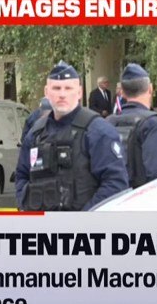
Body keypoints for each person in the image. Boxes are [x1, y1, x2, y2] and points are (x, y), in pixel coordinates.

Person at [17, 62, 130, 211]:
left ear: (79, 92)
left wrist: (81, 222)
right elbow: (21, 177)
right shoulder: (36, 133)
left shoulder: (97, 131)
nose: (62, 94)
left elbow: (115, 185)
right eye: (56, 88)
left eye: (68, 88)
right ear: (46, 92)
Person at [106, 63, 157, 188]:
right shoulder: (153, 125)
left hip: (112, 201)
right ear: (150, 89)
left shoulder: (107, 123)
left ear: (121, 92)